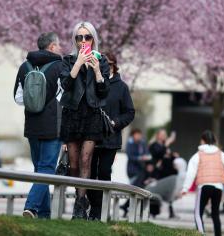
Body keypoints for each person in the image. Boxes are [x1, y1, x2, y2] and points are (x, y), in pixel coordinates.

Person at [59, 21, 110, 219]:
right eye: (79, 37)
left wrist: (97, 70)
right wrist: (79, 63)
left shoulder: (101, 60)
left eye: (87, 37)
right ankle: (81, 197)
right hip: (72, 114)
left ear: (93, 39)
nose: (83, 41)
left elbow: (104, 92)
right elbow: (66, 85)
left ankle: (80, 205)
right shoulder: (68, 60)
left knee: (86, 159)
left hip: (91, 114)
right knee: (73, 164)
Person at [13, 32, 64, 219]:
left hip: (32, 127)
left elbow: (18, 98)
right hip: (52, 127)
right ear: (51, 47)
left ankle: (44, 215)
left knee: (40, 170)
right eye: (58, 45)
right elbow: (65, 97)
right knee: (47, 170)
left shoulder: (24, 66)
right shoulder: (60, 66)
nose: (60, 48)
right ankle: (31, 207)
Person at [86, 52, 135, 220]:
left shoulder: (122, 87)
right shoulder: (92, 81)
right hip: (91, 136)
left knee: (104, 172)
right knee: (90, 174)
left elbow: (129, 112)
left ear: (114, 65)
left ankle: (100, 210)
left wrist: (115, 122)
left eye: (107, 64)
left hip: (111, 139)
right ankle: (94, 208)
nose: (104, 67)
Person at [181, 130, 224, 236]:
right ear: (214, 141)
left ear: (202, 141)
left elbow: (191, 172)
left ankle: (201, 234)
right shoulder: (221, 154)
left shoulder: (198, 155)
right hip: (218, 188)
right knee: (215, 214)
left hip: (204, 186)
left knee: (198, 213)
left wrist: (185, 188)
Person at [120, 129, 151, 217]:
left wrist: (146, 158)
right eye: (137, 135)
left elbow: (147, 153)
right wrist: (140, 158)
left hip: (141, 170)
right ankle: (127, 206)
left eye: (139, 135)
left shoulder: (142, 143)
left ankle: (126, 206)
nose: (139, 137)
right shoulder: (130, 143)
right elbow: (130, 156)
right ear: (133, 135)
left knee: (138, 189)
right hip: (133, 170)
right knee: (136, 189)